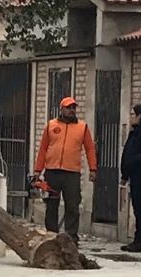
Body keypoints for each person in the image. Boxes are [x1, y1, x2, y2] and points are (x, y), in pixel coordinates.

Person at [33, 97, 98, 244]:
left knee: (73, 206)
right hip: (52, 172)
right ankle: (51, 236)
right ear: (61, 109)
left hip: (72, 173)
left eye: (74, 108)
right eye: (68, 107)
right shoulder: (51, 125)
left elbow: (90, 149)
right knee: (51, 205)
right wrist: (38, 170)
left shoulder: (82, 127)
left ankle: (71, 238)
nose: (71, 110)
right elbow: (43, 148)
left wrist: (93, 168)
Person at [120, 104, 141, 252]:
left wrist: (132, 161)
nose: (131, 117)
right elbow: (127, 151)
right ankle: (137, 239)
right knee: (137, 209)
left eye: (133, 114)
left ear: (140, 116)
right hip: (134, 175)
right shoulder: (134, 132)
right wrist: (125, 174)